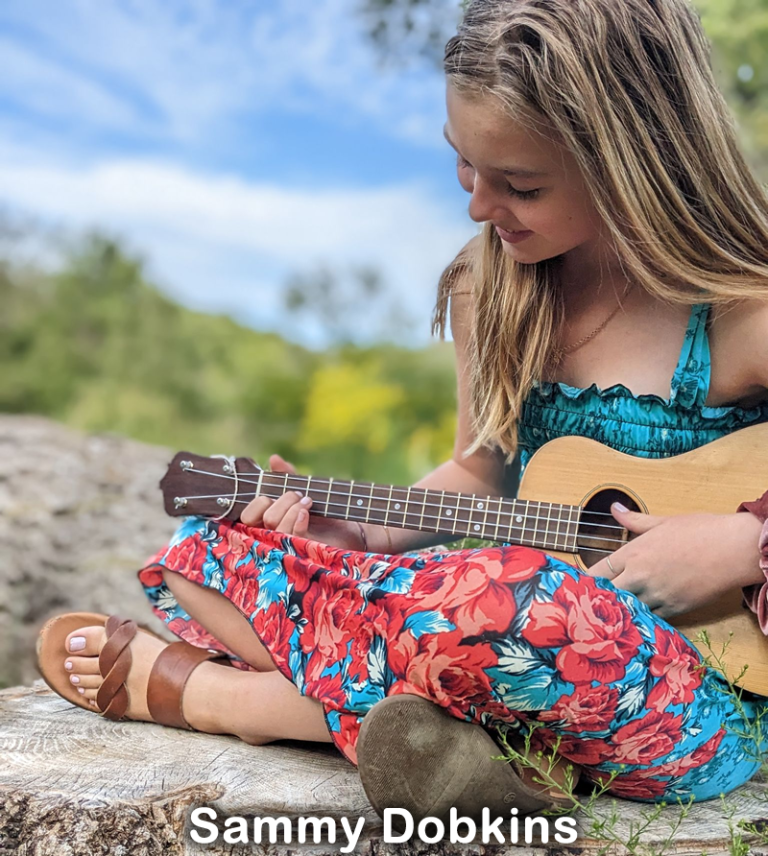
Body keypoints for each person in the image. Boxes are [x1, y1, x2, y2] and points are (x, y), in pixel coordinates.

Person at [37, 0, 768, 824]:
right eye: (464, 167)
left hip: (699, 694)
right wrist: (365, 536)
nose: (479, 207)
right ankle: (452, 734)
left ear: (631, 161)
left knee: (531, 601)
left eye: (520, 184)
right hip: (490, 635)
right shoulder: (489, 288)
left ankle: (230, 701)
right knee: (205, 547)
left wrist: (745, 541)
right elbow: (486, 467)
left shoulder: (741, 313)